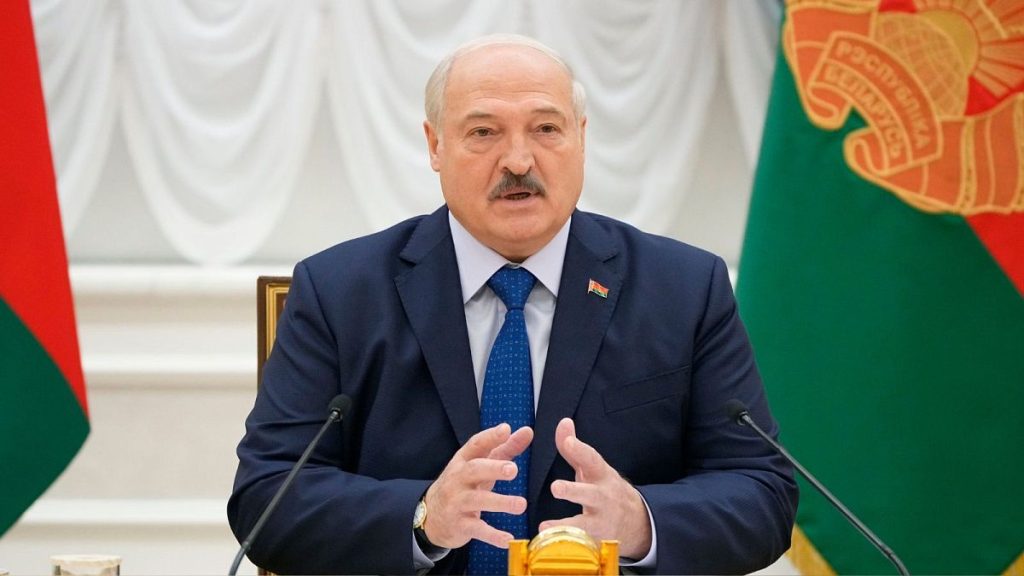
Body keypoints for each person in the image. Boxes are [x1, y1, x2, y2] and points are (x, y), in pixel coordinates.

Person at [228, 34, 797, 575]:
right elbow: (267, 496)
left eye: (546, 128)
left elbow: (763, 492)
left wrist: (641, 523)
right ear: (435, 145)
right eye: (483, 132)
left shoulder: (683, 289)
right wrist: (422, 517)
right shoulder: (340, 291)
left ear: (581, 137)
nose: (519, 160)